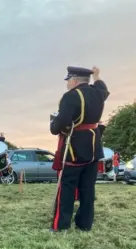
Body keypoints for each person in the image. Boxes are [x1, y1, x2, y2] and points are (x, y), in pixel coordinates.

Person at [50, 66, 109, 232]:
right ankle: (84, 224)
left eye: (68, 80)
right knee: (88, 188)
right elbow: (103, 88)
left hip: (75, 147)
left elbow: (61, 123)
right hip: (94, 146)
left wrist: (53, 126)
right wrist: (97, 76)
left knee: (67, 187)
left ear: (74, 80)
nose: (67, 84)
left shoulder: (70, 96)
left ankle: (61, 225)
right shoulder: (98, 93)